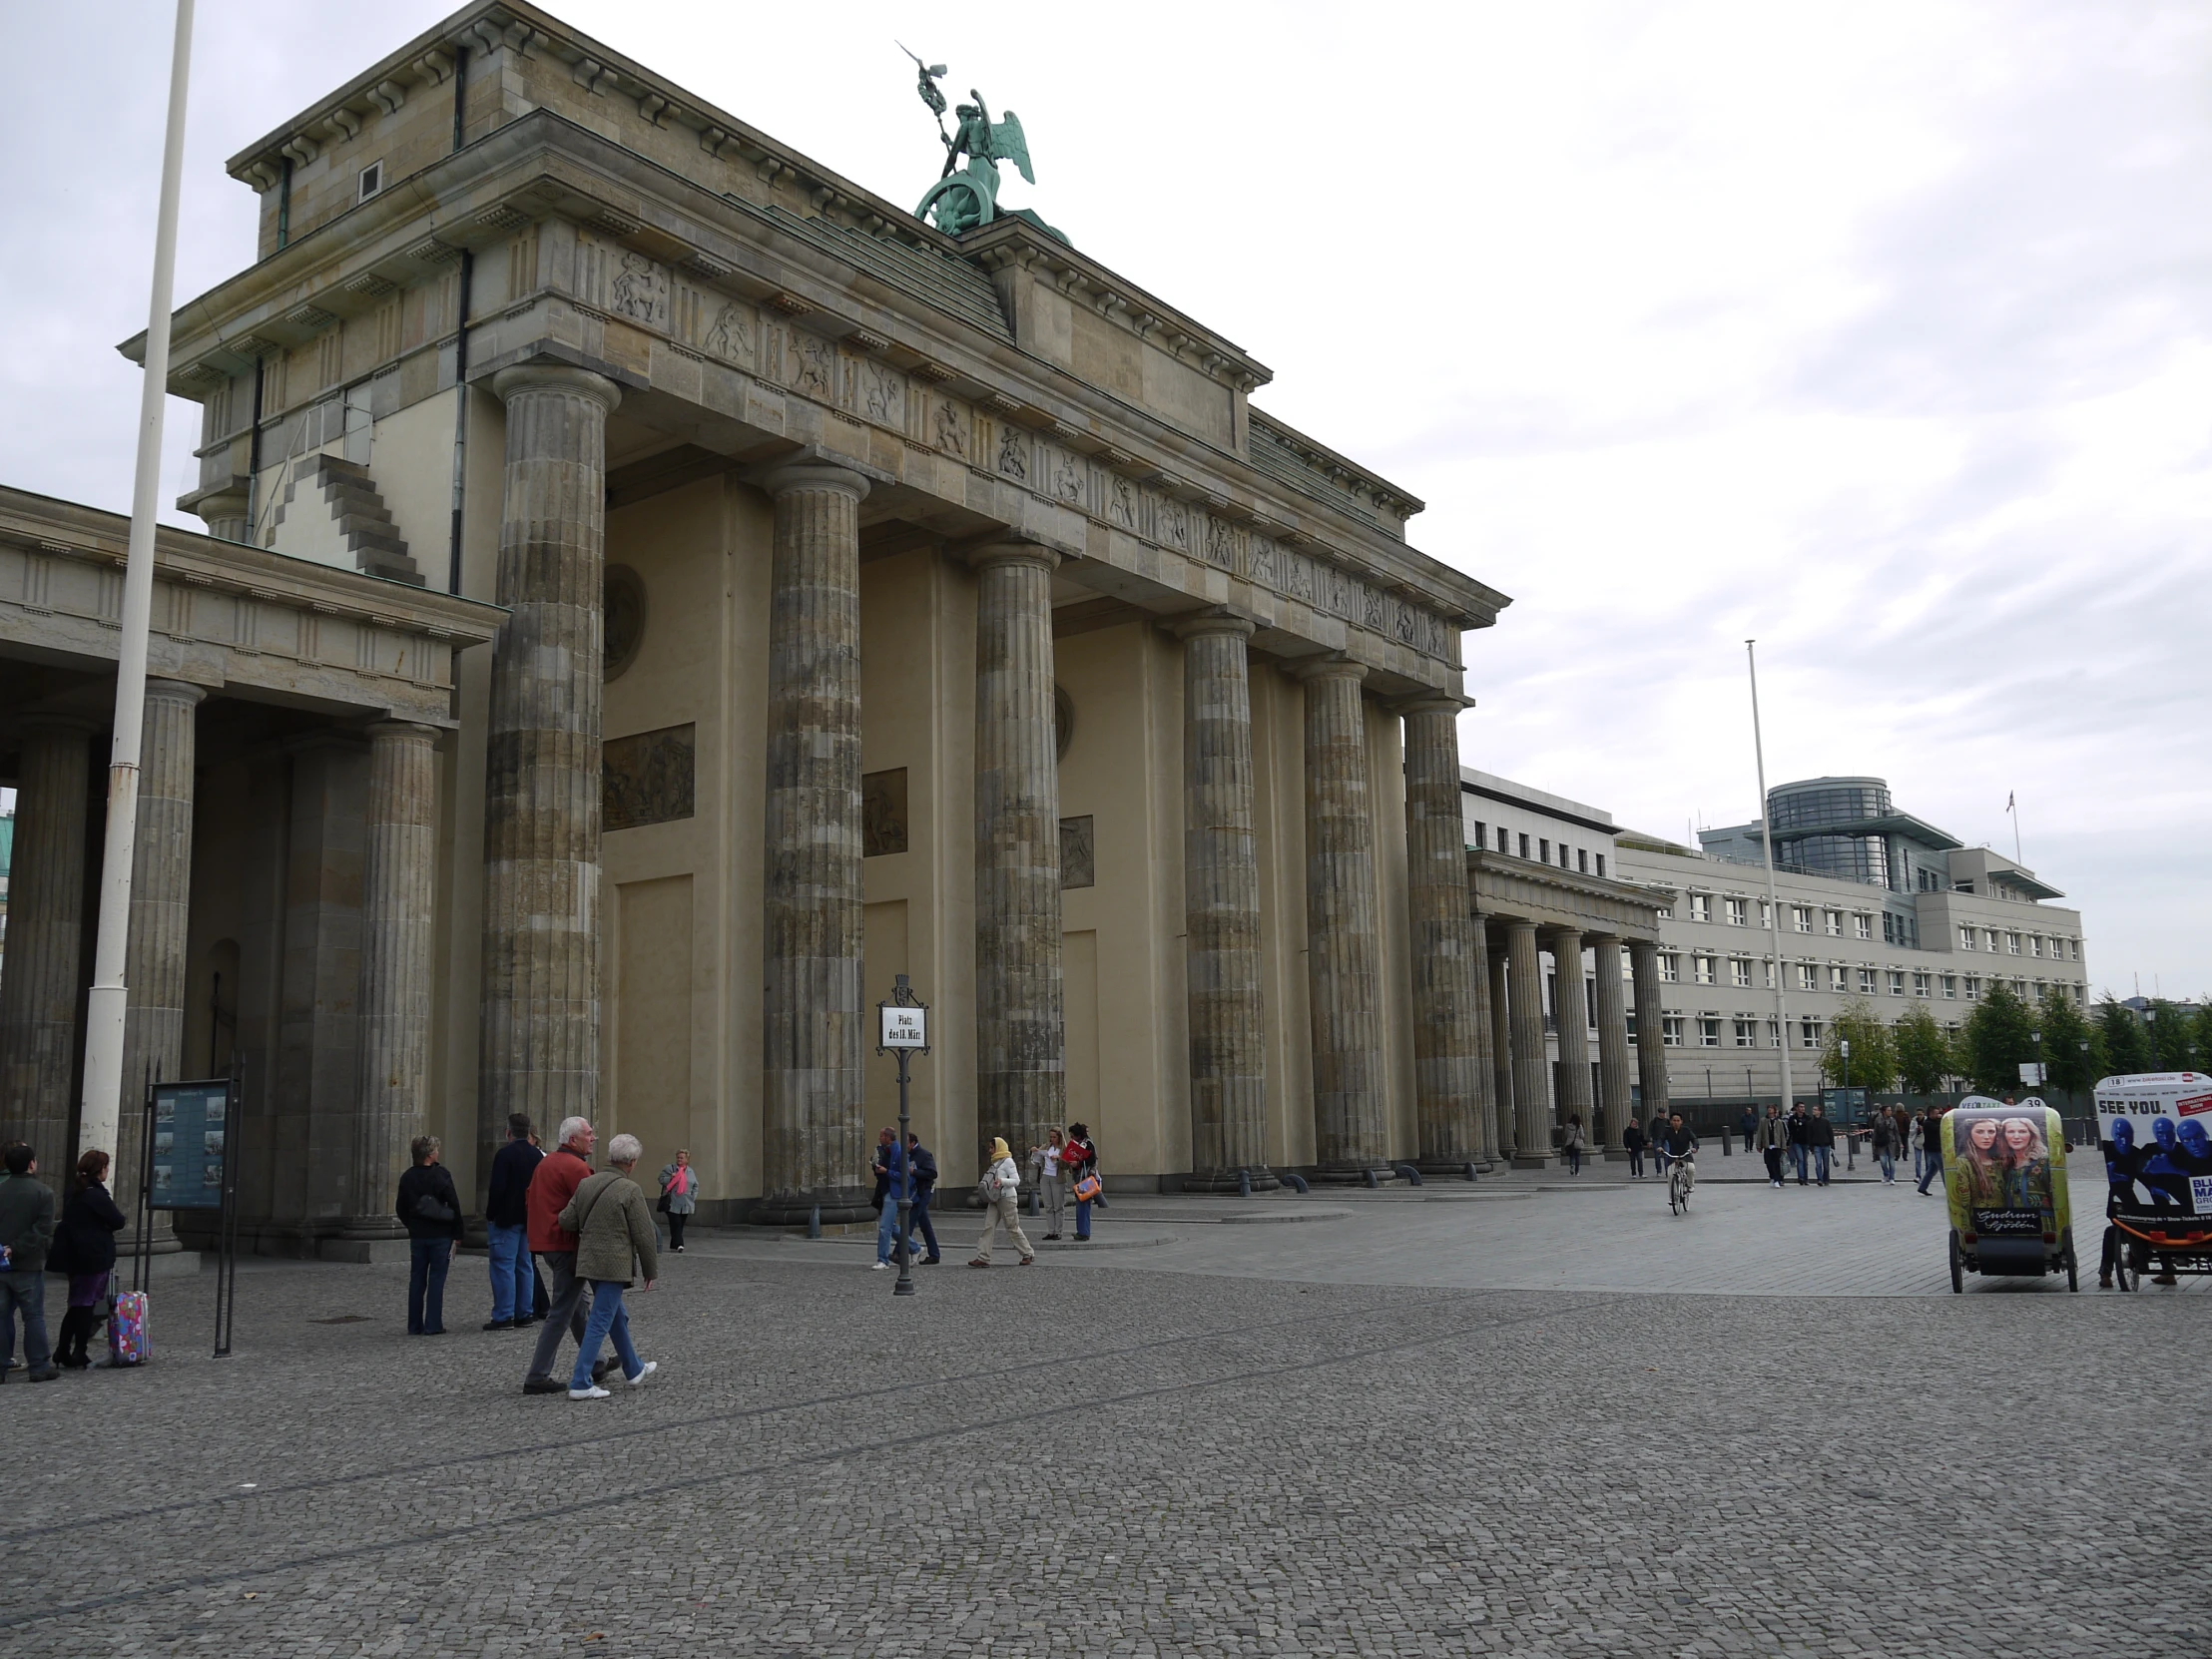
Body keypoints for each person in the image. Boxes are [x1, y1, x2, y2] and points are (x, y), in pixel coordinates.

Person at [558, 1132, 660, 1399]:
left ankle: (633, 1367)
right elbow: (644, 1235)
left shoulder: (587, 1183)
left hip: (589, 1261)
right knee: (601, 1320)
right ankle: (580, 1381)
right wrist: (651, 1271)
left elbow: (567, 1220)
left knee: (614, 1315)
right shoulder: (630, 1189)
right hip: (614, 1265)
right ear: (632, 1162)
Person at [523, 1117, 610, 1395]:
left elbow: (530, 1199)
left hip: (547, 1243)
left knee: (577, 1306)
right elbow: (593, 1205)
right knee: (561, 1311)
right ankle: (537, 1375)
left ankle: (596, 1362)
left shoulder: (545, 1163)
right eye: (588, 1134)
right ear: (573, 1140)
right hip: (565, 1245)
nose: (593, 1138)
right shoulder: (576, 1167)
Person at [53, 1150, 127, 1370]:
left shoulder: (74, 1191)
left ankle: (63, 1349)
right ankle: (78, 1351)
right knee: (85, 1305)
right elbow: (118, 1220)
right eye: (105, 1167)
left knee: (77, 1304)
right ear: (99, 1169)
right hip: (92, 1256)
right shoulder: (95, 1194)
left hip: (74, 1255)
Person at [0, 1142, 59, 1382]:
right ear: (32, 1164)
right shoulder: (43, 1193)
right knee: (33, 1315)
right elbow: (42, 1230)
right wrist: (16, 1248)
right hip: (28, 1264)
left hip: (0, 1263)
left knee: (1, 1316)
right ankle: (39, 1365)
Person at [395, 1135, 464, 1336]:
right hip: (440, 1234)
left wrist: (412, 1225)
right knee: (436, 1278)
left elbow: (400, 1207)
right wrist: (458, 1232)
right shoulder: (441, 1175)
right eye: (436, 1150)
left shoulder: (408, 1177)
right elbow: (454, 1204)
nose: (438, 1153)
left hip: (418, 1234)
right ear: (429, 1154)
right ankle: (433, 1324)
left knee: (416, 1279)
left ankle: (414, 1324)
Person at [484, 1112, 542, 1331]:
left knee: (503, 1266)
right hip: (528, 1217)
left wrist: (491, 1214)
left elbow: (497, 1189)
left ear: (508, 1132)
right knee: (524, 1265)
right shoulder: (536, 1155)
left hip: (506, 1219)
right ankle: (524, 1312)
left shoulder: (505, 1155)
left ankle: (504, 1314)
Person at [967, 1137, 1035, 1267]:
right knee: (988, 1226)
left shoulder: (1008, 1161)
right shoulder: (996, 1162)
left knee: (1012, 1227)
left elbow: (1016, 1180)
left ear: (999, 1147)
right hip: (994, 1198)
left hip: (1007, 1198)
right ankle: (983, 1257)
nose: (990, 1150)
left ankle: (1028, 1253)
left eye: (992, 1147)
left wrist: (1002, 1181)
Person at [873, 1132, 918, 1270]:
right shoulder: (884, 1150)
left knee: (884, 1228)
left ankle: (883, 1260)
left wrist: (886, 1171)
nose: (879, 1138)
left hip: (894, 1193)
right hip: (887, 1191)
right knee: (891, 1227)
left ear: (887, 1137)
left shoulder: (899, 1152)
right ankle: (915, 1248)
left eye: (881, 1135)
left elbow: (904, 1176)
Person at [905, 1133, 942, 1264]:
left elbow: (932, 1173)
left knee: (910, 1221)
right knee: (924, 1224)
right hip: (914, 1193)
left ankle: (899, 1252)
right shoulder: (907, 1155)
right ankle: (934, 1254)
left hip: (924, 1191)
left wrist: (914, 1172)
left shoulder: (924, 1154)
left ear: (912, 1143)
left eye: (906, 1142)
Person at [657, 1150, 700, 1253]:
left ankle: (673, 1244)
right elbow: (660, 1179)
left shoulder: (690, 1171)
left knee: (680, 1224)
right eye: (678, 1157)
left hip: (686, 1203)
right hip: (672, 1202)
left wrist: (693, 1196)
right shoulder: (670, 1168)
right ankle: (679, 1244)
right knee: (675, 1222)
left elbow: (695, 1185)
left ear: (687, 1160)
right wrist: (670, 1178)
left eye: (682, 1158)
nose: (679, 1159)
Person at [1065, 1122, 1099, 1242]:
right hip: (1080, 1178)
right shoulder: (1080, 1144)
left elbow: (1091, 1160)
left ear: (1079, 1135)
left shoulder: (1087, 1144)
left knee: (1083, 1206)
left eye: (1073, 1135)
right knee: (1080, 1206)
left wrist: (1077, 1163)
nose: (1071, 1138)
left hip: (1086, 1179)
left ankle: (1084, 1232)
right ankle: (1081, 1231)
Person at [1031, 1128, 1068, 1240]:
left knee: (1058, 1206)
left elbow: (1067, 1165)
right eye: (1051, 1137)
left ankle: (1058, 1231)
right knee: (1048, 1206)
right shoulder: (1047, 1146)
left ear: (1059, 1137)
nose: (1052, 1139)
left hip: (1057, 1178)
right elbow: (1037, 1154)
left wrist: (1059, 1159)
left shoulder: (1064, 1149)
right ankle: (1051, 1231)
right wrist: (1034, 1151)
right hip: (1045, 1176)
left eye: (1054, 1137)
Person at [1660, 1113, 1699, 1201]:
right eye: (1674, 1120)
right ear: (1671, 1122)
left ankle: (1690, 1185)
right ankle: (1672, 1198)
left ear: (1681, 1122)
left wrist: (1694, 1147)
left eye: (1678, 1121)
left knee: (1691, 1169)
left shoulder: (1686, 1130)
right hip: (1673, 1156)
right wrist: (1659, 1146)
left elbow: (1694, 1139)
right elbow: (1660, 1139)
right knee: (1670, 1176)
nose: (1676, 1123)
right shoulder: (1667, 1131)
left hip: (1685, 1155)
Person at [1754, 1105, 1787, 1189]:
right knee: (1768, 1163)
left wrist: (1784, 1146)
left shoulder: (1779, 1122)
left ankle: (1777, 1180)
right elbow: (1760, 1133)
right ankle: (1772, 1176)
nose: (1770, 1110)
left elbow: (1782, 1135)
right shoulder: (1763, 1121)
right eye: (1768, 1109)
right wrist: (1758, 1145)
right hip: (1767, 1145)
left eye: (1771, 1109)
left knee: (1776, 1163)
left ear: (1775, 1111)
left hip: (1777, 1145)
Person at [1916, 1108, 1945, 1196]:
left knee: (1932, 1169)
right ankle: (1949, 1189)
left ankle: (1922, 1187)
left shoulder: (1933, 1122)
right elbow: (1938, 1128)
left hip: (1936, 1148)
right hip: (1933, 1149)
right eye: (1936, 1113)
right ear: (1930, 1114)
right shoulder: (1928, 1123)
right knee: (1943, 1168)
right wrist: (1941, 1119)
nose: (1938, 1115)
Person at [1868, 1107, 1900, 1186]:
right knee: (1883, 1161)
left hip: (1891, 1142)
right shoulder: (1878, 1120)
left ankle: (1892, 1178)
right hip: (1881, 1142)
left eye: (1890, 1110)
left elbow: (1896, 1132)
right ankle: (1886, 1174)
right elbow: (1875, 1132)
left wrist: (1899, 1142)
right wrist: (1874, 1143)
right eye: (1888, 1110)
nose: (1890, 1112)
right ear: (1884, 1112)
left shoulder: (1893, 1120)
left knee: (1892, 1161)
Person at [1807, 1105, 1837, 1188]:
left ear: (1820, 1111)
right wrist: (1811, 1146)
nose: (1814, 1111)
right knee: (1818, 1163)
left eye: (1815, 1110)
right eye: (1813, 1109)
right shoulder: (1811, 1122)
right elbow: (1809, 1135)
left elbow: (1830, 1133)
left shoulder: (1825, 1121)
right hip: (1816, 1145)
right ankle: (1819, 1179)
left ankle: (1826, 1179)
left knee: (1826, 1165)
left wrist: (1832, 1144)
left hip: (1826, 1145)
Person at [1786, 1103, 1812, 1186]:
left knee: (1805, 1161)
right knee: (1800, 1159)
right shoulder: (1792, 1119)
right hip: (1796, 1142)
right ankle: (1800, 1178)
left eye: (1803, 1107)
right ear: (1796, 1108)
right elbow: (1790, 1132)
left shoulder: (1808, 1118)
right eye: (1800, 1107)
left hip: (1806, 1142)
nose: (1802, 1108)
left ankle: (1806, 1178)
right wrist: (1788, 1143)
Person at [1648, 1113, 1671, 1178]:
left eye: (1664, 1113)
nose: (1663, 1115)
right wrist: (1649, 1140)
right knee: (1657, 1157)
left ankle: (1667, 1171)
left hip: (1665, 1140)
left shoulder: (1667, 1121)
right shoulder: (1654, 1121)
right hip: (1656, 1140)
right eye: (1662, 1113)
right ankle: (1659, 1171)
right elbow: (1650, 1130)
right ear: (1659, 1114)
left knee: (1667, 1155)